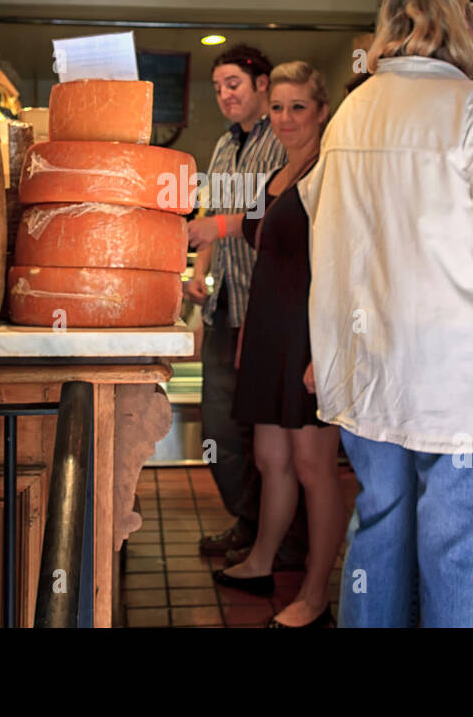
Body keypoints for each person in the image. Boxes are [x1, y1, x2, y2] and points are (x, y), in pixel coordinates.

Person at [297, 0, 473, 628]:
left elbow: (326, 233)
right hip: (467, 385)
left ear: (389, 28)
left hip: (372, 378)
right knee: (457, 556)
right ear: (463, 25)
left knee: (381, 529)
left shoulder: (350, 116)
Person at [189, 63, 342, 628]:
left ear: (321, 111)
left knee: (313, 464)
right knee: (269, 456)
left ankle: (315, 592)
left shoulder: (330, 169)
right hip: (268, 327)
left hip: (307, 331)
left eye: (298, 107)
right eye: (278, 108)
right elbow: (250, 234)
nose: (285, 118)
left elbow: (341, 261)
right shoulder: (279, 172)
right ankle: (259, 560)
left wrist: (322, 351)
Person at [185, 45, 307, 569]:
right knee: (220, 427)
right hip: (223, 305)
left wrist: (219, 226)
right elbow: (213, 212)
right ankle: (251, 522)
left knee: (268, 435)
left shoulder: (283, 143)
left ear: (262, 85)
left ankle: (282, 541)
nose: (225, 95)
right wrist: (197, 270)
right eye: (217, 88)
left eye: (233, 83)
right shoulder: (221, 145)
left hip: (267, 311)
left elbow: (276, 212)